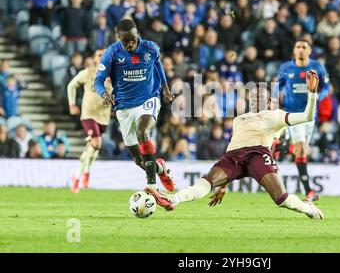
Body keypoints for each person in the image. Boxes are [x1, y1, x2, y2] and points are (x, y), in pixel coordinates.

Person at [146, 73, 324, 220]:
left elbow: (307, 116)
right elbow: (233, 144)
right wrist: (224, 185)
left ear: (269, 101)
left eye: (260, 96)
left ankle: (308, 209)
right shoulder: (239, 119)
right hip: (233, 156)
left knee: (281, 199)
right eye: (253, 96)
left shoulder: (275, 115)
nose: (255, 98)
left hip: (258, 154)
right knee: (207, 181)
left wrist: (312, 93)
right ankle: (173, 199)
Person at [94, 18, 176, 204]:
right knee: (140, 161)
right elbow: (98, 80)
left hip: (149, 98)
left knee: (143, 133)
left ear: (137, 33)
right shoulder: (112, 52)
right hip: (124, 106)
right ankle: (161, 169)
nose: (130, 44)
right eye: (126, 41)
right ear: (118, 38)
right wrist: (104, 94)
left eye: (133, 39)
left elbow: (157, 64)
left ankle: (153, 189)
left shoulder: (151, 48)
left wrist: (165, 88)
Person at [273, 39, 329, 202]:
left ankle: (282, 146)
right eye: (298, 47)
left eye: (304, 47)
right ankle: (310, 192)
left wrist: (319, 95)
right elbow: (278, 85)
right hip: (293, 113)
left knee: (301, 152)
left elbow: (326, 86)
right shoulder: (286, 68)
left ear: (309, 51)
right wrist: (276, 98)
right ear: (294, 50)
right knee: (301, 148)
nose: (301, 50)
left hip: (310, 114)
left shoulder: (318, 67)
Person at [67, 49, 112, 193]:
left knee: (93, 148)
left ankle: (77, 176)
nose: (102, 57)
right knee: (96, 142)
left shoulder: (114, 75)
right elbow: (71, 85)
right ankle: (85, 172)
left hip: (104, 116)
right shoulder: (88, 73)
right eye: (99, 55)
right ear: (94, 59)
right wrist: (72, 104)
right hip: (89, 114)